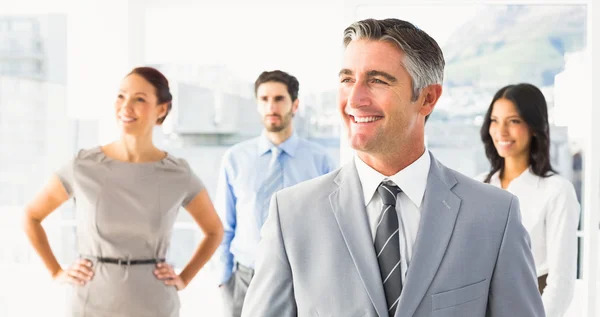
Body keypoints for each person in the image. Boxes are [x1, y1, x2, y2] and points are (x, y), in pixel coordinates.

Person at [241, 18, 545, 317]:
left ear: (427, 98)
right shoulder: (291, 214)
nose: (355, 100)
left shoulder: (494, 215)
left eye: (377, 80)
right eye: (347, 79)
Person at [22, 67, 224, 317]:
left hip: (155, 303)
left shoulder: (178, 174)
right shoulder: (83, 165)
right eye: (121, 96)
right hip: (91, 301)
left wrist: (184, 278)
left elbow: (214, 231)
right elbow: (32, 216)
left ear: (162, 109)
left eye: (139, 99)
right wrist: (56, 272)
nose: (126, 106)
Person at [214, 70, 336, 317]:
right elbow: (224, 225)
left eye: (279, 99)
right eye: (264, 99)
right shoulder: (235, 159)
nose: (271, 106)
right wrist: (224, 279)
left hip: (301, 279)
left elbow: (331, 224)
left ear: (295, 104)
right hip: (245, 279)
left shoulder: (320, 160)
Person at [479, 83, 579, 317]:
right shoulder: (477, 186)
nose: (501, 131)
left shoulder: (556, 190)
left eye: (513, 121)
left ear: (534, 127)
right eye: (495, 120)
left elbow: (561, 281)